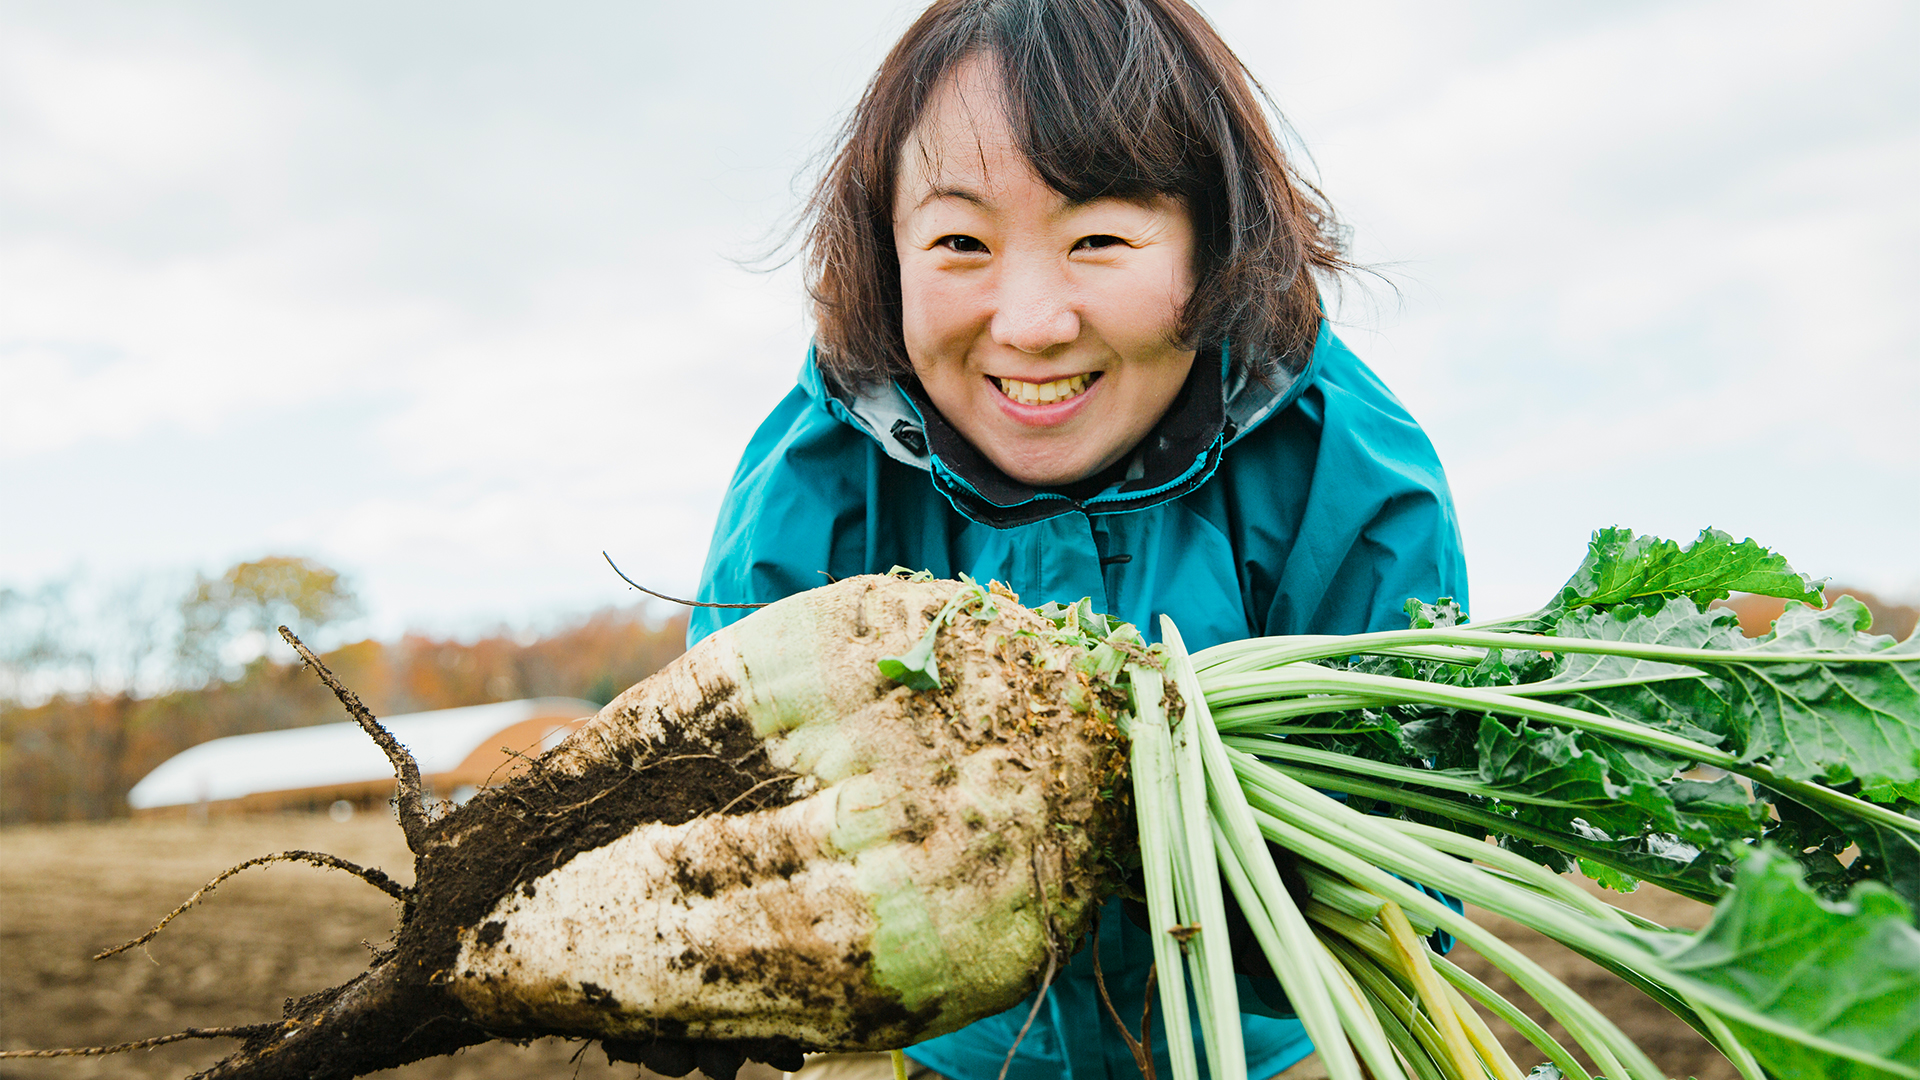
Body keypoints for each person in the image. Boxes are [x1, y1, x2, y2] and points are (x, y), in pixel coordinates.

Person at [689, 0, 1467, 1076]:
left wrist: (1157, 839)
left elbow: (1405, 883)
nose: (1031, 322)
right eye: (960, 242)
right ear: (888, 252)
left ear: (1211, 239)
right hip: (951, 1056)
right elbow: (729, 813)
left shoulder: (1345, 467)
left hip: (1268, 1053)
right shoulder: (820, 471)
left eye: (1097, 238)